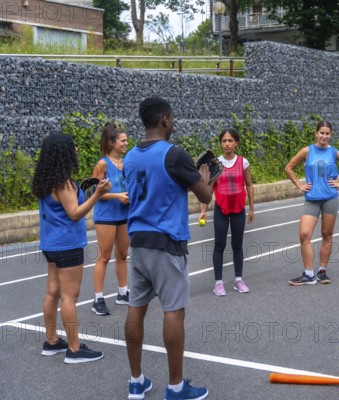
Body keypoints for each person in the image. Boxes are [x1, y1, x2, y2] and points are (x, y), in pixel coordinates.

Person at [123, 97, 213, 400]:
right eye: (172, 118)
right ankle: (175, 388)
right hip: (167, 243)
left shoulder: (131, 157)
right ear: (164, 120)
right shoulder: (174, 155)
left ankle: (136, 381)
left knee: (136, 310)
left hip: (138, 242)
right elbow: (205, 197)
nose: (173, 122)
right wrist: (204, 177)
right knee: (173, 312)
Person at [32, 133, 111, 363]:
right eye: (72, 146)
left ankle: (52, 341)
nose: (76, 149)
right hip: (67, 245)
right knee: (69, 297)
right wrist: (97, 194)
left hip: (51, 243)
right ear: (63, 152)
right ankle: (74, 349)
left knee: (52, 292)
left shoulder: (45, 180)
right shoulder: (63, 183)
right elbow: (75, 213)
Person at [285, 120, 339, 285]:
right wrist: (299, 185)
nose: (324, 136)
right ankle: (309, 274)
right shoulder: (307, 151)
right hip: (312, 199)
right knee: (304, 234)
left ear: (331, 134)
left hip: (330, 198)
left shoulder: (334, 152)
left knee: (327, 235)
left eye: (327, 133)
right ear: (316, 133)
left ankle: (322, 271)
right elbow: (289, 167)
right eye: (321, 133)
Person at [199, 128, 255, 296]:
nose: (227, 144)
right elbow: (208, 187)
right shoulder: (216, 164)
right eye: (224, 141)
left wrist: (252, 208)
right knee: (219, 245)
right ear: (221, 144)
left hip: (239, 209)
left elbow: (249, 185)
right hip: (221, 209)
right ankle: (218, 283)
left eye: (230, 140)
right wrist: (203, 210)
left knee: (237, 245)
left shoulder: (243, 162)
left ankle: (238, 280)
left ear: (236, 143)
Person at [90, 123, 130, 316]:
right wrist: (118, 196)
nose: (126, 143)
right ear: (112, 142)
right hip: (106, 216)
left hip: (124, 214)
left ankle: (123, 292)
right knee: (104, 256)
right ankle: (97, 298)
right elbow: (94, 193)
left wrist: (129, 196)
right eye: (123, 141)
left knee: (122, 255)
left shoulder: (126, 163)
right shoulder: (102, 164)